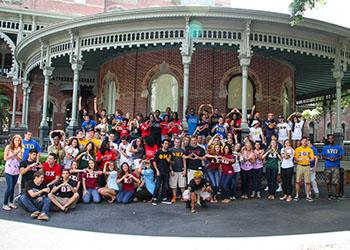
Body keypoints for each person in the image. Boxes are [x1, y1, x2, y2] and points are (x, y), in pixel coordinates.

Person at [3, 134, 23, 211]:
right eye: (16, 140)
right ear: (13, 140)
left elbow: (20, 158)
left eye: (18, 140)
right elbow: (5, 158)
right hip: (8, 170)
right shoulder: (8, 147)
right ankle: (5, 204)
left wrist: (17, 153)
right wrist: (14, 153)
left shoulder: (20, 148)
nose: (17, 141)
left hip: (16, 170)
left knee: (13, 187)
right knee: (9, 187)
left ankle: (10, 202)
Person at [321, 134, 344, 201]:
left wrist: (336, 159)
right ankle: (329, 194)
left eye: (332, 138)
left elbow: (341, 156)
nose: (331, 140)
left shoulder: (338, 147)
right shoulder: (325, 147)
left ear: (334, 139)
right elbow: (323, 156)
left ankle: (337, 194)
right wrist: (328, 158)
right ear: (328, 140)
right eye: (329, 139)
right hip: (328, 166)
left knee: (336, 182)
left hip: (336, 166)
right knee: (328, 181)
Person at [294, 137, 314, 202]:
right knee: (297, 181)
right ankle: (297, 195)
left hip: (307, 166)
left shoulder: (310, 150)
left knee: (308, 182)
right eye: (303, 141)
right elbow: (295, 159)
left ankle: (308, 196)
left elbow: (312, 158)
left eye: (306, 141)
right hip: (300, 166)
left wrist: (309, 159)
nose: (304, 142)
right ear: (301, 142)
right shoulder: (297, 149)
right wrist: (298, 159)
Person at [153, 139, 173, 205]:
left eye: (167, 143)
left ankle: (163, 197)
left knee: (166, 185)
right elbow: (154, 162)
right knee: (158, 185)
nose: (166, 145)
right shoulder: (158, 152)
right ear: (162, 144)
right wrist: (157, 170)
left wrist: (169, 161)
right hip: (159, 171)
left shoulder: (169, 153)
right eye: (165, 143)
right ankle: (155, 198)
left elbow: (172, 162)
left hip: (166, 171)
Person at [169, 137, 186, 203]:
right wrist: (171, 169)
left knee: (182, 185)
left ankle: (183, 196)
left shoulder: (182, 150)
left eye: (178, 142)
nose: (177, 143)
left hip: (181, 169)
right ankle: (174, 196)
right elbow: (169, 161)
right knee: (174, 185)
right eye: (176, 142)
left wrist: (185, 169)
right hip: (174, 170)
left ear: (180, 143)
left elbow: (184, 160)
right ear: (174, 142)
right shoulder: (171, 150)